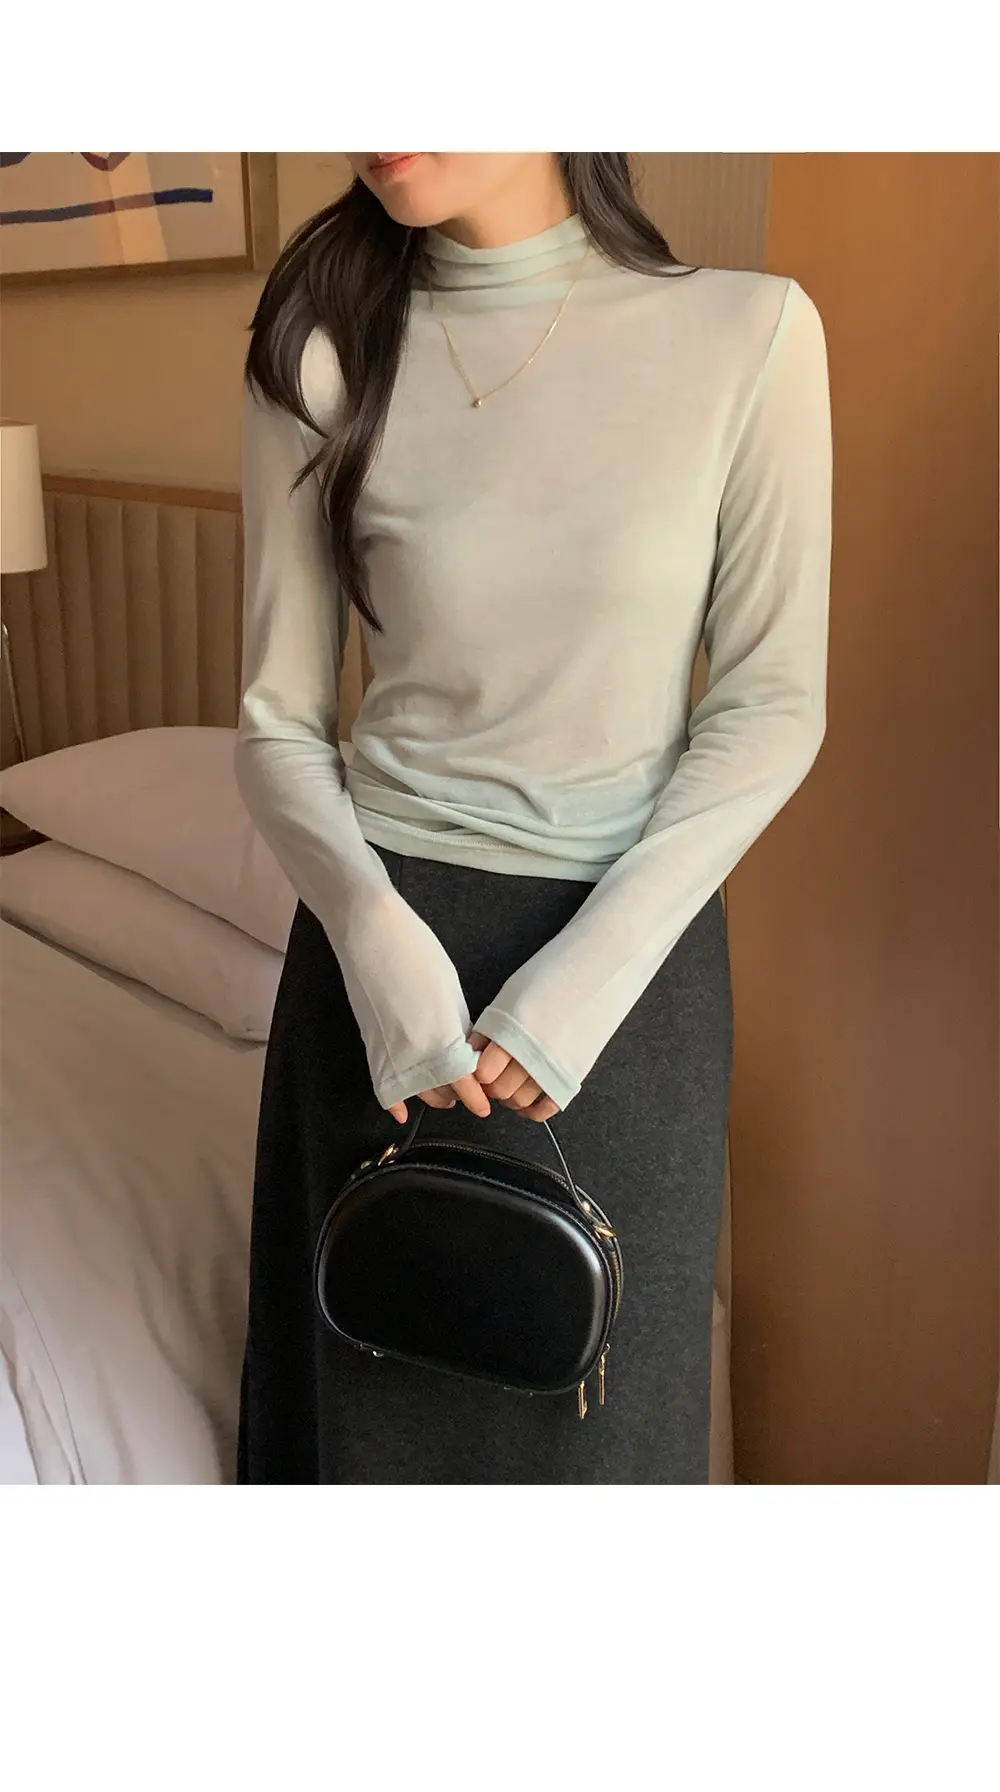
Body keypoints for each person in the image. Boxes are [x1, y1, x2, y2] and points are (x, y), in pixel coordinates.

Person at [234, 151, 832, 1484]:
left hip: (624, 972)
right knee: (365, 1420)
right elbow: (277, 719)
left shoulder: (750, 335)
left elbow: (770, 704)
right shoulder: (317, 347)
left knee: (605, 1437)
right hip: (380, 959)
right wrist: (371, 940)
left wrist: (587, 978)